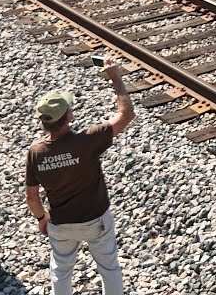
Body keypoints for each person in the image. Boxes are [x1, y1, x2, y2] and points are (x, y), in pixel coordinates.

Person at [25, 58, 136, 295]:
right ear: (69, 117)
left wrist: (41, 218)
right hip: (95, 220)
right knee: (109, 268)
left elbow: (32, 197)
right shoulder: (88, 140)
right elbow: (126, 115)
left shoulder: (36, 152)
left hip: (61, 223)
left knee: (61, 272)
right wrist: (115, 77)